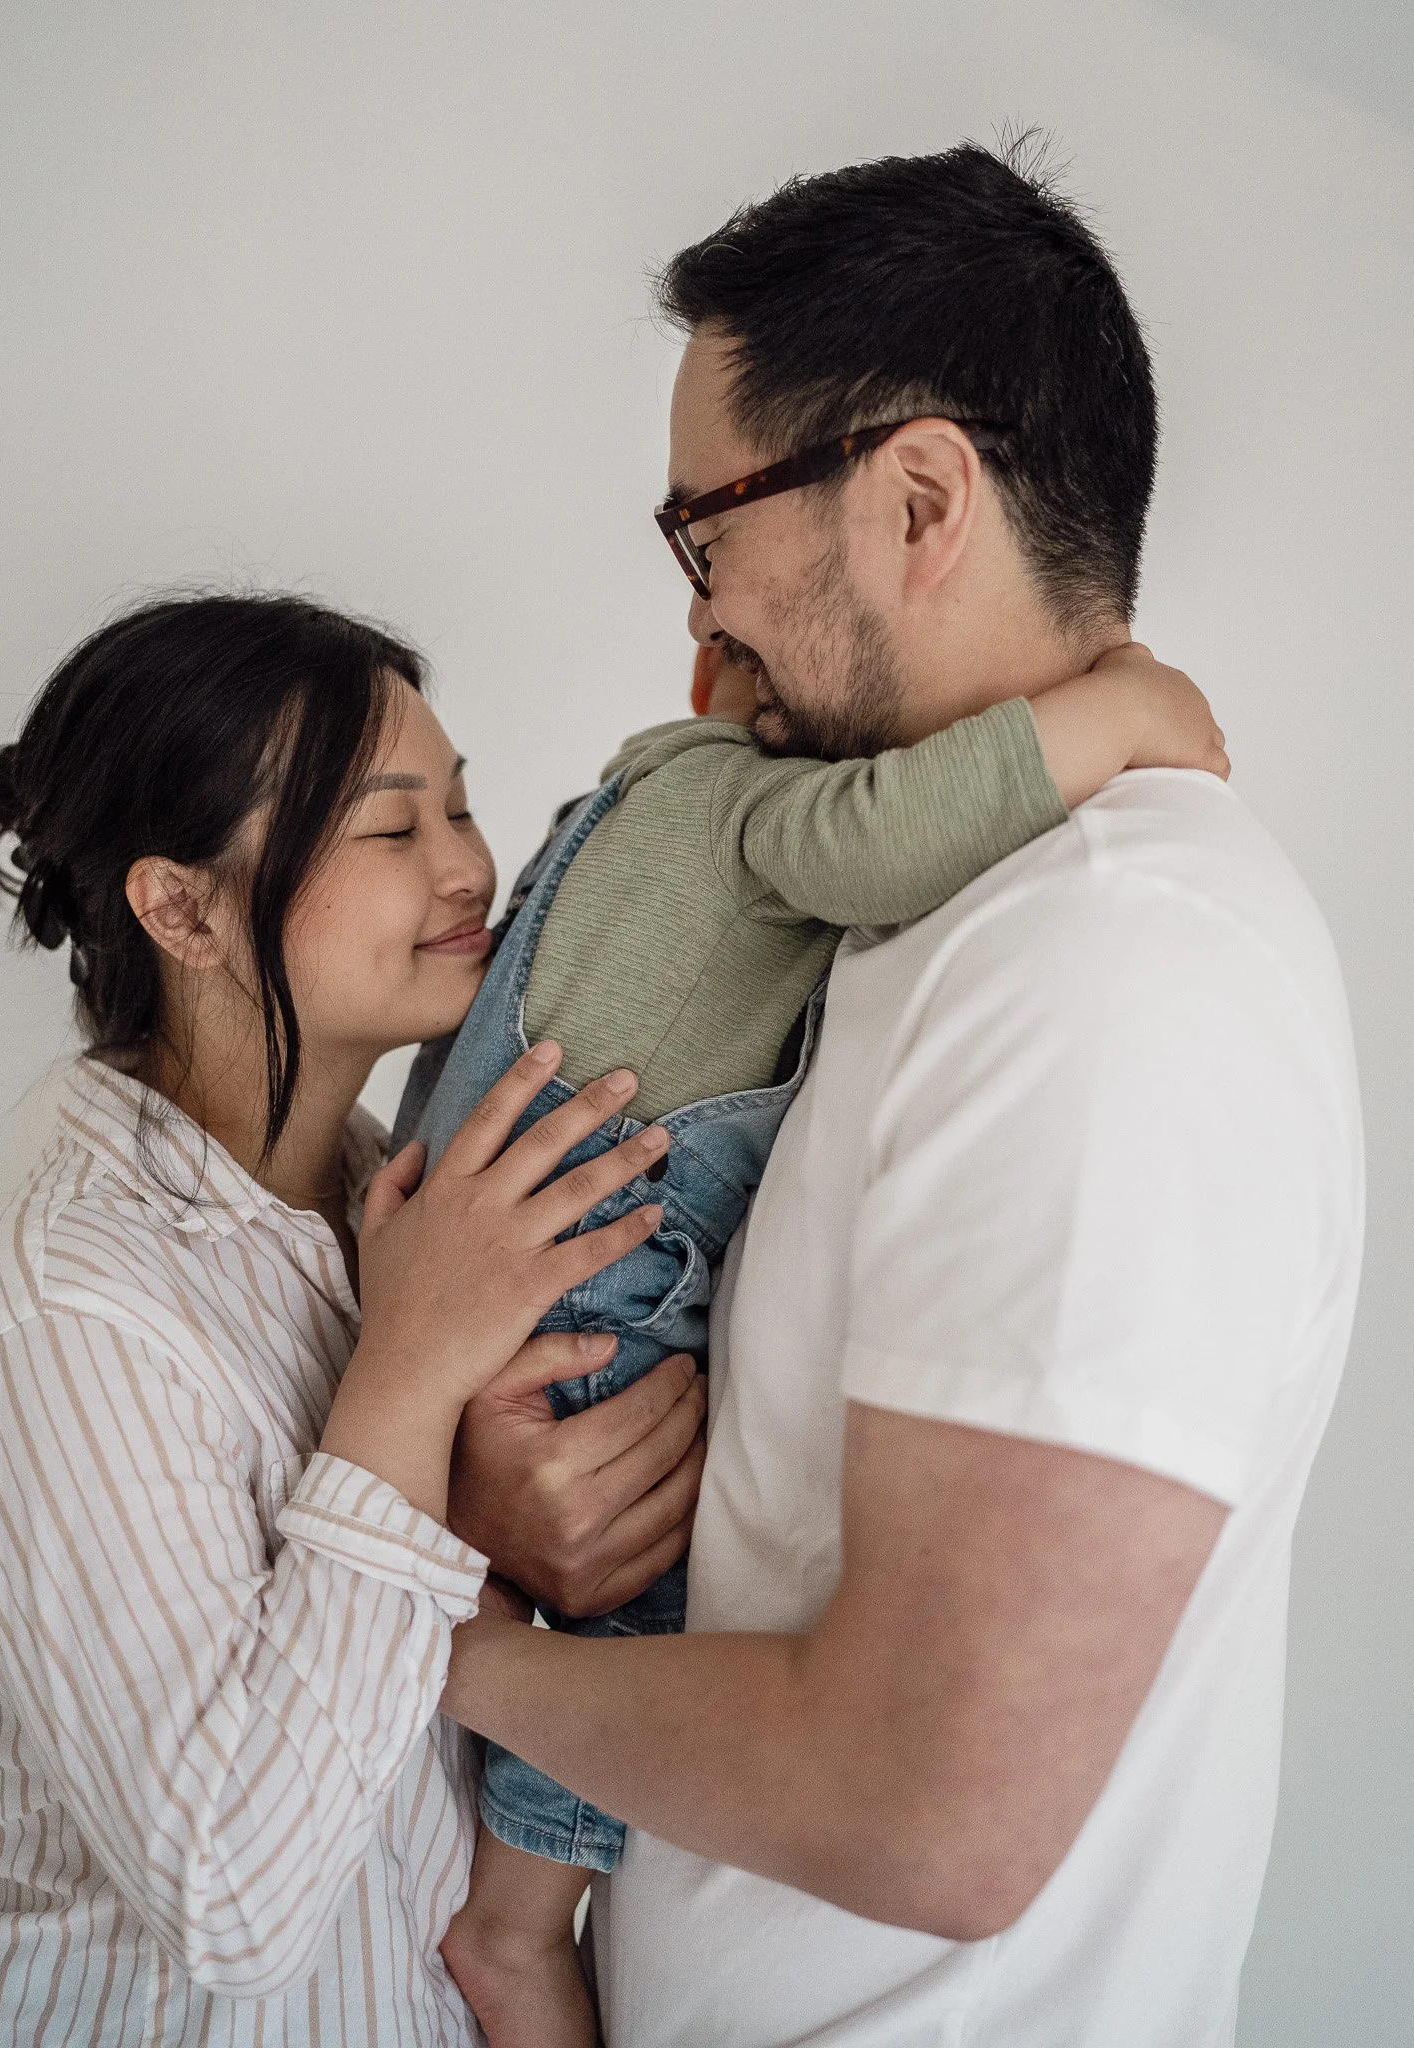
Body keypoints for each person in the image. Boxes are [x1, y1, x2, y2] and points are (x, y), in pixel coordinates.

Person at [437, 144, 1364, 2048]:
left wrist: (425, 1653)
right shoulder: (940, 921)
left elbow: (927, 1809)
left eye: (707, 528)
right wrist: (531, 1496)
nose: (700, 608)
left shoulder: (1107, 965)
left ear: (918, 499)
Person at [0, 592, 710, 2048]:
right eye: (390, 831)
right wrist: (414, 1384)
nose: (467, 867)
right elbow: (235, 1899)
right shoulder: (69, 1317)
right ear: (181, 906)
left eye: (460, 808)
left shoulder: (397, 1199)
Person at [422, 626, 1226, 2046]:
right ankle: (515, 1928)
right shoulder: (734, 802)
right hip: (595, 1272)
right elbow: (885, 839)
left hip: (535, 1251)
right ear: (731, 693)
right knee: (638, 1602)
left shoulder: (633, 795)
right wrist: (1121, 716)